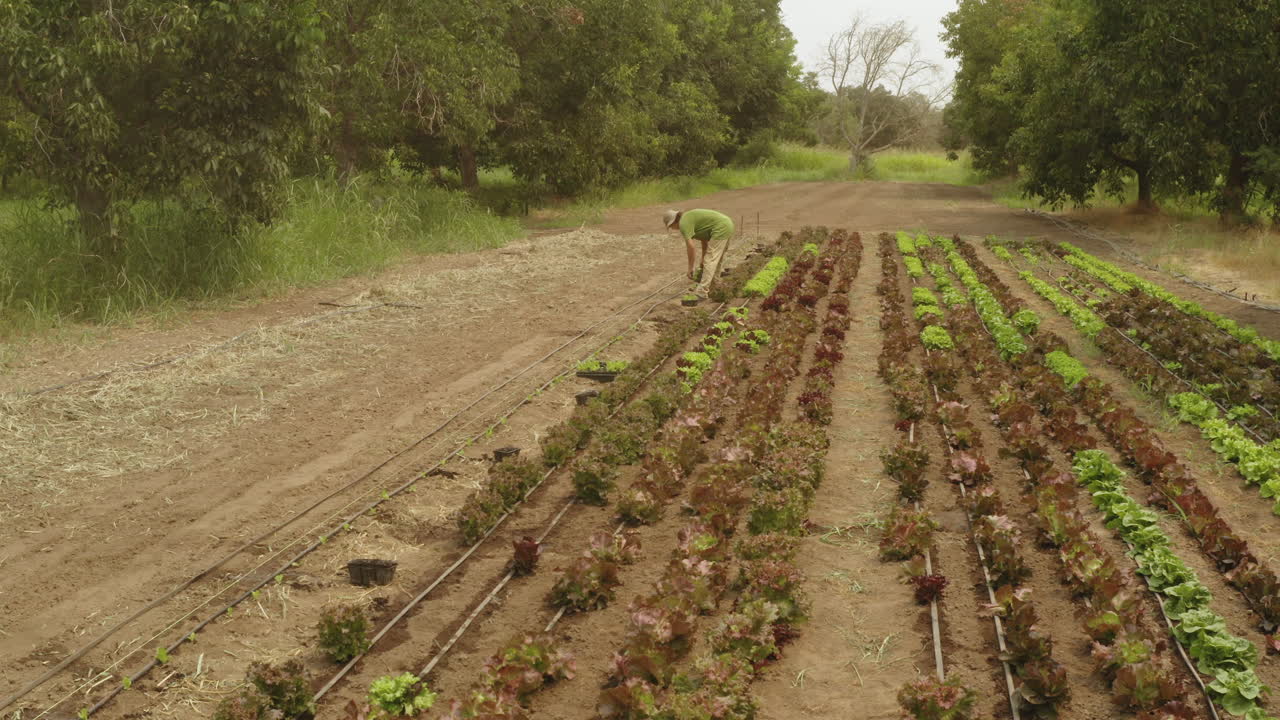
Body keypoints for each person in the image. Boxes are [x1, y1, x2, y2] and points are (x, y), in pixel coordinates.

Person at [662, 208, 734, 301]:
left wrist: (690, 268)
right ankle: (714, 286)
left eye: (671, 226)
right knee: (715, 259)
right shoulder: (689, 219)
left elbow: (691, 247)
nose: (672, 229)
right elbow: (704, 241)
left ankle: (702, 293)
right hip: (726, 224)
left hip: (721, 227)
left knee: (710, 260)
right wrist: (702, 260)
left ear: (674, 222)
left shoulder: (683, 224)